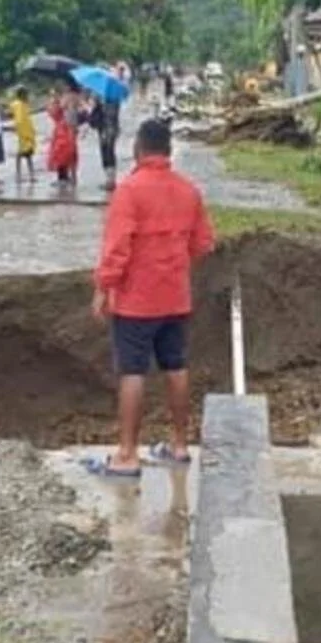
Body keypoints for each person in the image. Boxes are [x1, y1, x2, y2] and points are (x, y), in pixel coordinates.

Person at [87, 117, 215, 477]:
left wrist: (103, 288)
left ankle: (127, 454)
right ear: (169, 150)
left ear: (138, 149)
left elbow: (117, 249)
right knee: (176, 366)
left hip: (136, 301)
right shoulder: (188, 191)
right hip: (175, 297)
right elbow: (203, 243)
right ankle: (178, 445)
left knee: (132, 371)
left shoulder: (129, 191)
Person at [47, 88, 80, 188]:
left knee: (61, 154)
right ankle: (69, 178)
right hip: (65, 130)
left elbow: (54, 113)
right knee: (67, 154)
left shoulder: (67, 100)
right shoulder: (73, 99)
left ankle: (63, 179)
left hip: (64, 131)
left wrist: (55, 100)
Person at [10, 85, 38, 184]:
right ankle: (20, 175)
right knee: (22, 153)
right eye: (26, 94)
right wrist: (21, 131)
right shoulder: (18, 105)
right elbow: (19, 120)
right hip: (24, 133)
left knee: (27, 154)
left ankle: (29, 175)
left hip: (26, 132)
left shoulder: (22, 104)